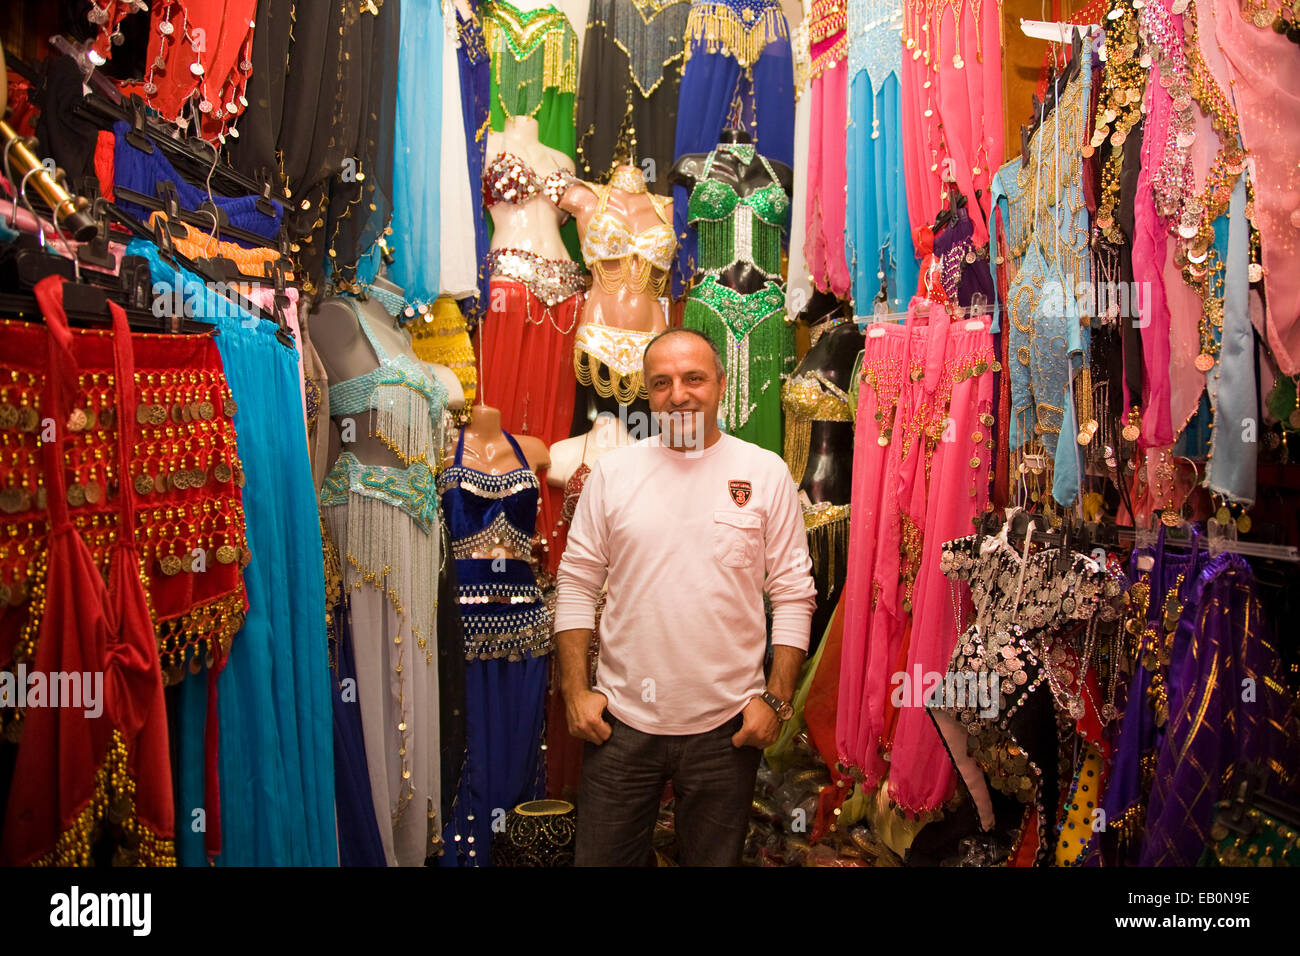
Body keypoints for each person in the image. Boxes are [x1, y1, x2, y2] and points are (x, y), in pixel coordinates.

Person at [553, 327, 817, 866]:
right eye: (661, 382)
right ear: (647, 393)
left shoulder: (765, 473)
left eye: (693, 378)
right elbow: (577, 582)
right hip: (621, 726)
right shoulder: (613, 474)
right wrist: (575, 691)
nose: (678, 394)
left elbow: (792, 593)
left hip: (726, 731)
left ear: (720, 383)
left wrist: (777, 698)